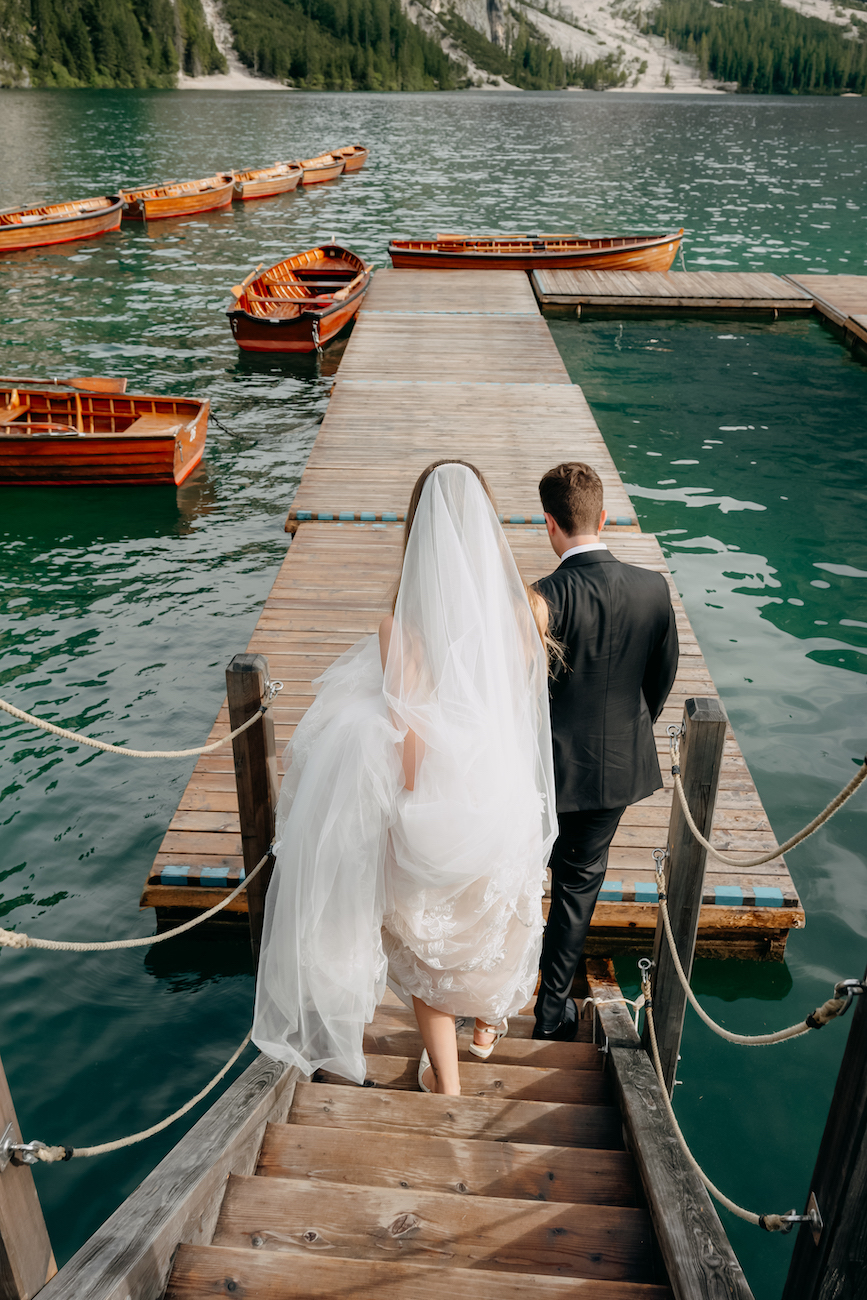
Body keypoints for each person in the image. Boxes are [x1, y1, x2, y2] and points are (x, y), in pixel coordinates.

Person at [253, 460, 557, 1095]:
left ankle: (446, 1081)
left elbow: (410, 735)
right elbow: (524, 715)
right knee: (483, 929)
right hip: (504, 794)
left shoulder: (402, 625)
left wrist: (405, 800)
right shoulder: (525, 610)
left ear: (417, 530)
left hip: (440, 798)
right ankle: (484, 1033)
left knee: (427, 960)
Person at [532, 462, 679, 1041]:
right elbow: (659, 681)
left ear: (550, 524)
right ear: (605, 517)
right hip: (614, 771)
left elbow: (519, 692)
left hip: (541, 770)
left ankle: (493, 1001)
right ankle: (550, 1018)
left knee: (519, 877)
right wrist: (625, 732)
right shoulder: (653, 588)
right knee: (576, 888)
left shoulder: (540, 598)